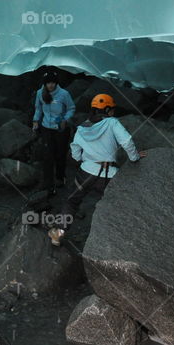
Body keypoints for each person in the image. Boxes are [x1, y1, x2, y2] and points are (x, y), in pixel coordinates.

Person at [48, 93, 145, 246]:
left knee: (72, 201)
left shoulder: (83, 127)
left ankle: (59, 233)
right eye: (111, 109)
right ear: (106, 109)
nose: (113, 112)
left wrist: (81, 159)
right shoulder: (112, 123)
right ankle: (115, 241)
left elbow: (74, 150)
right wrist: (134, 158)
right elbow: (127, 141)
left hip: (85, 173)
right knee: (115, 205)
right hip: (109, 175)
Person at [32, 68, 76, 193]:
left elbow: (71, 108)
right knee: (47, 155)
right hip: (46, 128)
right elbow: (38, 108)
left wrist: (65, 119)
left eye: (53, 82)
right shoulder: (40, 93)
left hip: (61, 129)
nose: (50, 85)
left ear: (56, 83)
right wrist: (35, 121)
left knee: (60, 154)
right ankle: (47, 182)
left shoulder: (64, 94)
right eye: (48, 83)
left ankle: (60, 178)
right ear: (45, 83)